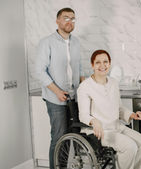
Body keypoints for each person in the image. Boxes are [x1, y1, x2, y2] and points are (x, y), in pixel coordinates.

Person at [77, 49, 141, 169]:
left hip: (116, 126)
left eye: (105, 62)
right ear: (92, 65)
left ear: (109, 64)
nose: (102, 65)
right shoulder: (85, 87)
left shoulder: (113, 83)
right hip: (100, 132)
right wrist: (94, 121)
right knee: (130, 147)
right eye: (98, 62)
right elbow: (83, 115)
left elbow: (119, 108)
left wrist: (131, 115)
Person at [36, 8, 85, 169]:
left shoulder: (77, 42)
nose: (70, 21)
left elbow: (80, 68)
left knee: (75, 136)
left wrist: (85, 89)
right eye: (66, 18)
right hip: (54, 98)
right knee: (58, 137)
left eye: (73, 19)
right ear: (57, 21)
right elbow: (40, 71)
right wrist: (57, 91)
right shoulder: (46, 42)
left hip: (75, 98)